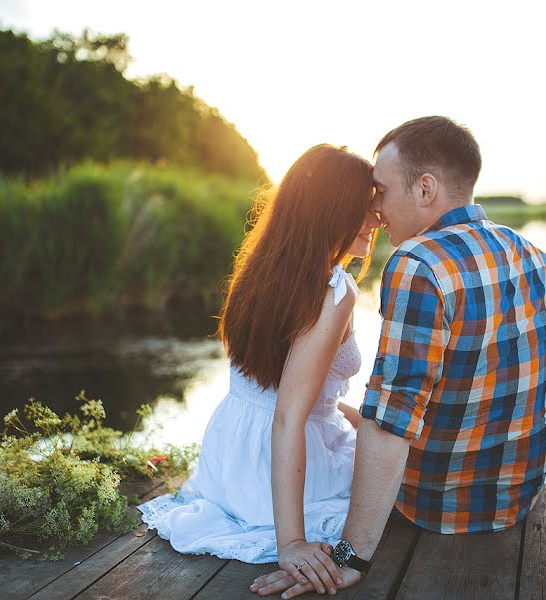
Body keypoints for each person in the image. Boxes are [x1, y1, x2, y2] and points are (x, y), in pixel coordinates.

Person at [251, 117, 546, 598]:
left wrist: (350, 555)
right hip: (514, 504)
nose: (374, 206)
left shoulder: (417, 264)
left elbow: (393, 420)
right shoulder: (540, 259)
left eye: (381, 189)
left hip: (430, 508)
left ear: (425, 189)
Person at [138, 144, 381, 595]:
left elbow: (289, 395)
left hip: (231, 457)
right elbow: (289, 414)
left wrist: (359, 419)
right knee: (395, 486)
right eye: (364, 208)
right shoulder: (335, 291)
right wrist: (291, 541)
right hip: (285, 467)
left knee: (378, 438)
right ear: (332, 211)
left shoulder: (262, 269)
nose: (376, 220)